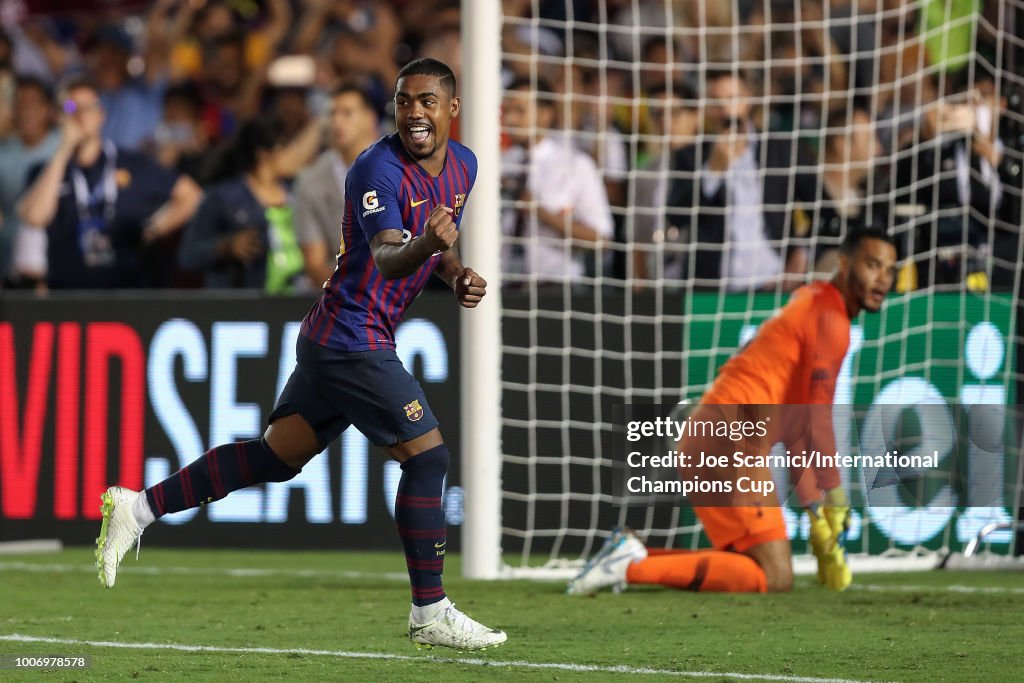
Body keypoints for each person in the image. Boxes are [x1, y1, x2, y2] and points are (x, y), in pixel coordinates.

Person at [95, 58, 507, 651]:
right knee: (429, 458)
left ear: (451, 109)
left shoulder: (464, 165)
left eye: (427, 102)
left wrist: (456, 271)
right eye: (405, 101)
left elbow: (434, 238)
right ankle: (430, 613)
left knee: (275, 458)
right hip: (351, 337)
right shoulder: (375, 169)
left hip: (339, 338)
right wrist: (430, 247)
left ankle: (138, 507)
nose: (415, 113)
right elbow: (393, 254)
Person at [568, 227, 898, 595]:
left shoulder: (814, 304)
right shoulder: (830, 319)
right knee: (774, 576)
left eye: (889, 269)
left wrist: (813, 507)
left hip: (715, 435)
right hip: (731, 441)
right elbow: (819, 420)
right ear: (843, 263)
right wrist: (835, 496)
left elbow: (798, 428)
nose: (882, 277)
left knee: (751, 562)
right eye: (873, 265)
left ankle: (630, 555)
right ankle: (631, 566)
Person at [18, 77, 202, 289]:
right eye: (70, 107)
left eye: (88, 107)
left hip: (125, 289)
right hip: (67, 292)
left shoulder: (132, 164)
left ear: (101, 115)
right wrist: (63, 150)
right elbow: (35, 217)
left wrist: (153, 228)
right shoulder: (47, 171)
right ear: (59, 117)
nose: (79, 115)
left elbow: (192, 196)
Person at [666, 69, 819, 291]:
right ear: (707, 108)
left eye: (732, 98)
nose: (726, 109)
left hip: (774, 280)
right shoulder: (690, 155)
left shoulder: (781, 149)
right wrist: (711, 171)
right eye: (716, 101)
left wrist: (802, 252)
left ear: (747, 99)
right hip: (714, 286)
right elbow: (676, 216)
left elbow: (821, 206)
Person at [500, 76, 613, 282]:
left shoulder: (576, 165)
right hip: (499, 286)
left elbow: (600, 239)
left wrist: (541, 213)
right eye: (507, 111)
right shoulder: (496, 166)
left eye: (520, 111)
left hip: (557, 287)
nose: (511, 120)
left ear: (545, 114)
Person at [293, 83, 380, 288]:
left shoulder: (405, 171)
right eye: (332, 114)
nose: (337, 122)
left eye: (347, 113)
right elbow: (314, 264)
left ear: (370, 119)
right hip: (338, 296)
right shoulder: (310, 182)